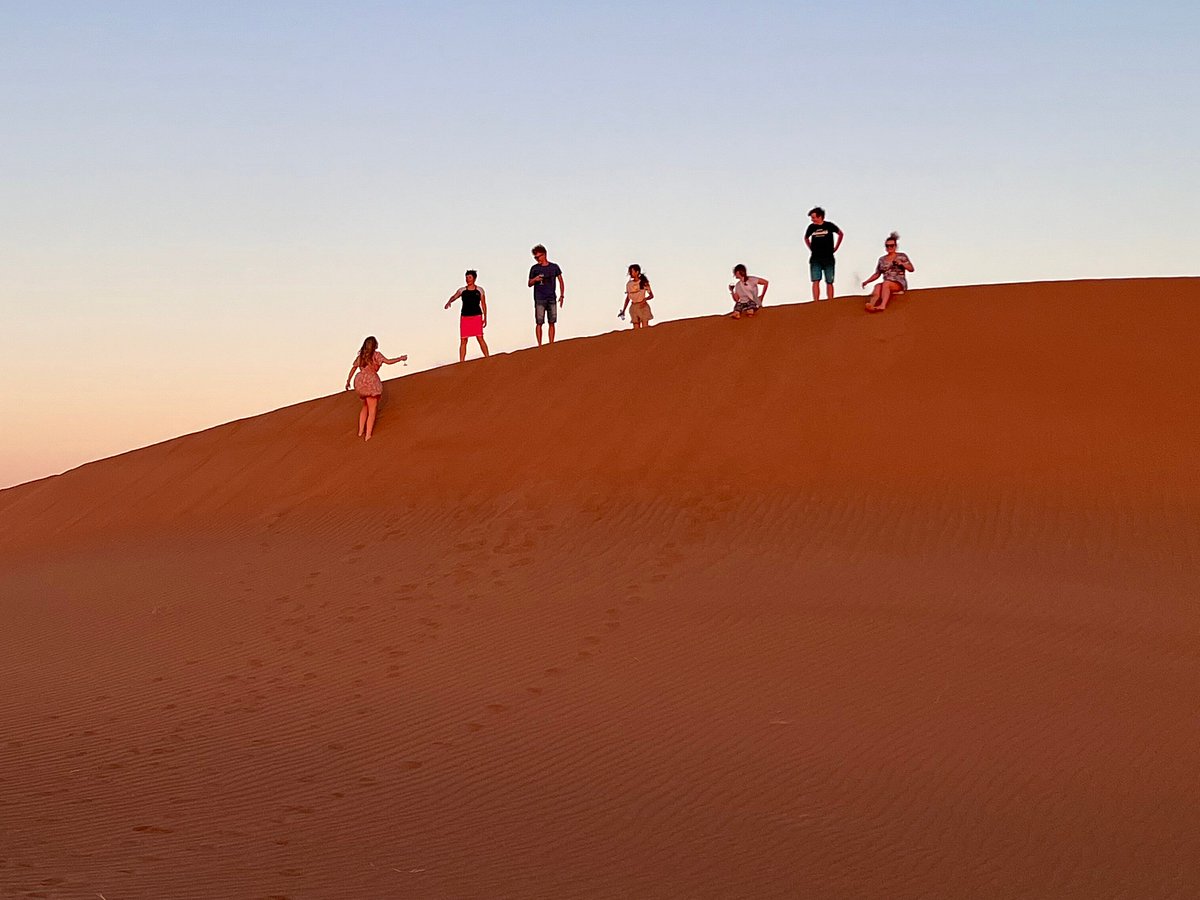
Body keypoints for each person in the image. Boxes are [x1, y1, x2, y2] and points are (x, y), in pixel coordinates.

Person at [344, 336, 406, 441]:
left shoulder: (361, 357)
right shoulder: (376, 355)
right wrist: (400, 358)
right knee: (372, 409)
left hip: (360, 382)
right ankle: (368, 435)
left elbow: (353, 368)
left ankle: (360, 432)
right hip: (371, 382)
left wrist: (348, 381)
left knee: (365, 406)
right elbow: (388, 361)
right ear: (374, 345)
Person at [861, 232, 915, 312]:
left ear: (895, 246)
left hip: (898, 283)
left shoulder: (901, 256)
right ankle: (871, 305)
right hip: (886, 284)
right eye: (887, 246)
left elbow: (911, 269)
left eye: (892, 245)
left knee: (886, 283)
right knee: (877, 286)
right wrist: (867, 281)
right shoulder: (882, 259)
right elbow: (877, 273)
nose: (889, 247)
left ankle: (882, 305)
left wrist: (902, 263)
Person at [444, 270, 490, 362]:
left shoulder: (480, 290)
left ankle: (488, 358)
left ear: (474, 278)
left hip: (477, 316)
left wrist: (485, 318)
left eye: (469, 277)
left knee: (480, 337)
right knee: (463, 340)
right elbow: (454, 296)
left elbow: (483, 304)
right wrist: (449, 302)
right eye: (466, 277)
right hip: (465, 317)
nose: (467, 279)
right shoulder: (462, 290)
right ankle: (461, 362)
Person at [528, 244, 565, 345]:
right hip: (539, 298)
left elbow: (561, 281)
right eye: (535, 257)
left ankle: (551, 343)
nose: (536, 259)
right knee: (539, 322)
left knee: (552, 322)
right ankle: (539, 345)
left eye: (538, 256)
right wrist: (535, 279)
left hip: (551, 297)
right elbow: (529, 283)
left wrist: (562, 295)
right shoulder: (534, 268)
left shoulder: (554, 267)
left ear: (544, 254)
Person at [804, 206, 844, 301]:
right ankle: (816, 301)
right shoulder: (811, 227)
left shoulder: (829, 225)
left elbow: (841, 234)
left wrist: (836, 247)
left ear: (820, 217)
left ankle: (830, 300)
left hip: (828, 257)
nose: (812, 219)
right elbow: (806, 238)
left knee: (829, 281)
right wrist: (811, 248)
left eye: (813, 217)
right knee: (815, 280)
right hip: (815, 258)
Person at [619, 264, 654, 329]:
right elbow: (628, 298)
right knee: (636, 330)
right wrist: (623, 310)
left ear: (637, 272)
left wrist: (645, 299)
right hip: (634, 307)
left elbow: (651, 295)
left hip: (643, 306)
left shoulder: (643, 282)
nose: (630, 273)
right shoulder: (629, 284)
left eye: (631, 271)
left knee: (645, 329)